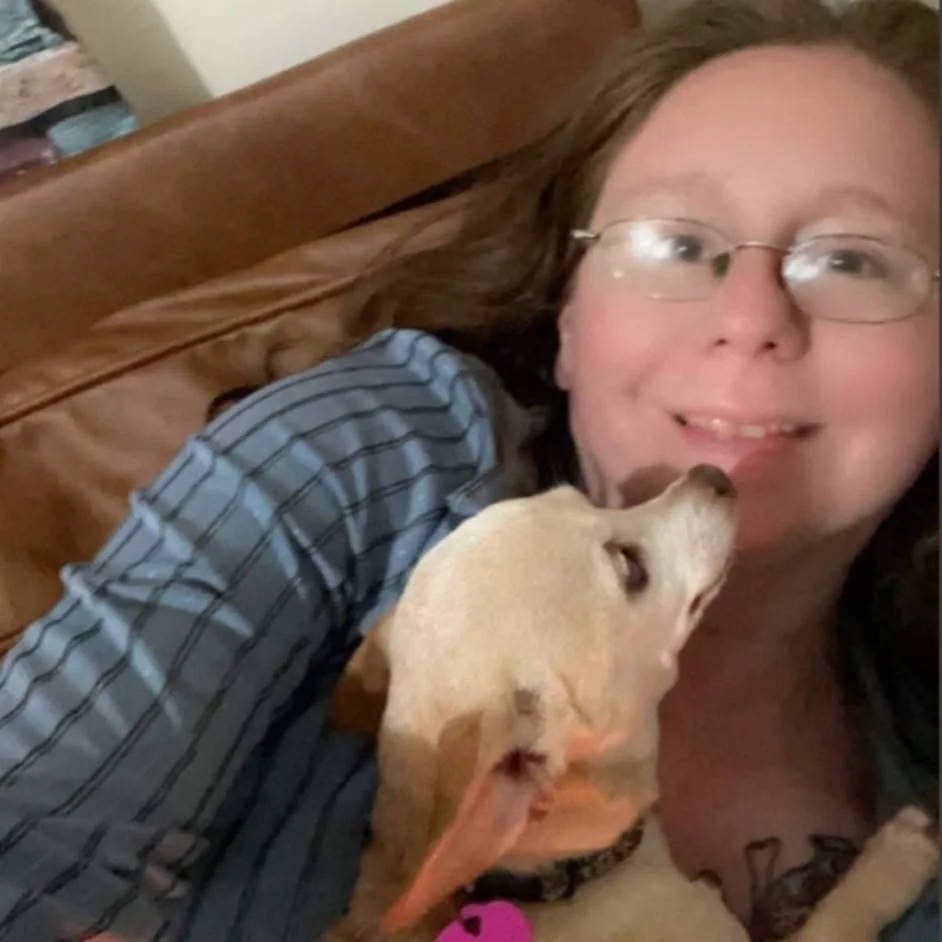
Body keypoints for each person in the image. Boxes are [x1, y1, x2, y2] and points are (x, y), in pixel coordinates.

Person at [0, 0, 937, 939]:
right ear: (569, 321)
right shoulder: (373, 459)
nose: (749, 314)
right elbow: (32, 823)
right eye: (677, 243)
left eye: (852, 260)